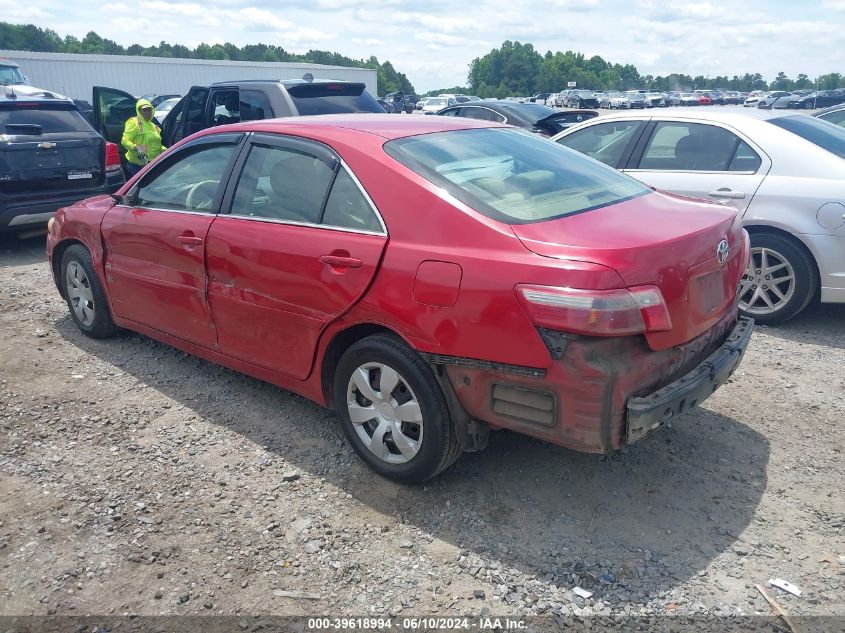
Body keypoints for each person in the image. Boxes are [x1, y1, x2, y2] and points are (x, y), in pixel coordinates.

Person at [121, 98, 166, 177]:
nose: (147, 113)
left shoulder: (154, 126)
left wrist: (167, 150)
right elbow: (124, 141)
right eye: (144, 110)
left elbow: (156, 145)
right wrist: (136, 148)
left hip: (154, 163)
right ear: (139, 111)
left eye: (149, 110)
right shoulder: (134, 122)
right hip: (138, 164)